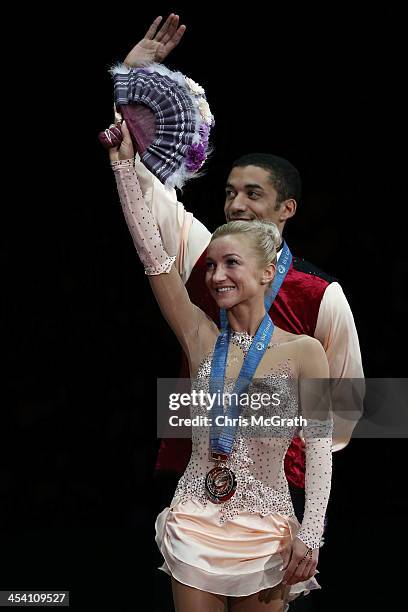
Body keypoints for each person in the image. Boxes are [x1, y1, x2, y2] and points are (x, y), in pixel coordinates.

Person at [118, 17, 364, 526]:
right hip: (193, 471)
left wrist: (281, 447)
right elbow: (146, 196)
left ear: (287, 209)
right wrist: (134, 85)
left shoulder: (322, 294)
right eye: (229, 192)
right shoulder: (202, 254)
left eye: (254, 193)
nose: (236, 203)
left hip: (277, 485)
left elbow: (348, 408)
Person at [107, 120, 333, 612]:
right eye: (211, 265)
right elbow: (153, 255)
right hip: (194, 518)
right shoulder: (199, 334)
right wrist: (123, 167)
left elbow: (320, 451)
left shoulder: (305, 351)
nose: (215, 275)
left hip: (267, 529)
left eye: (230, 263)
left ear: (265, 271)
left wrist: (311, 534)